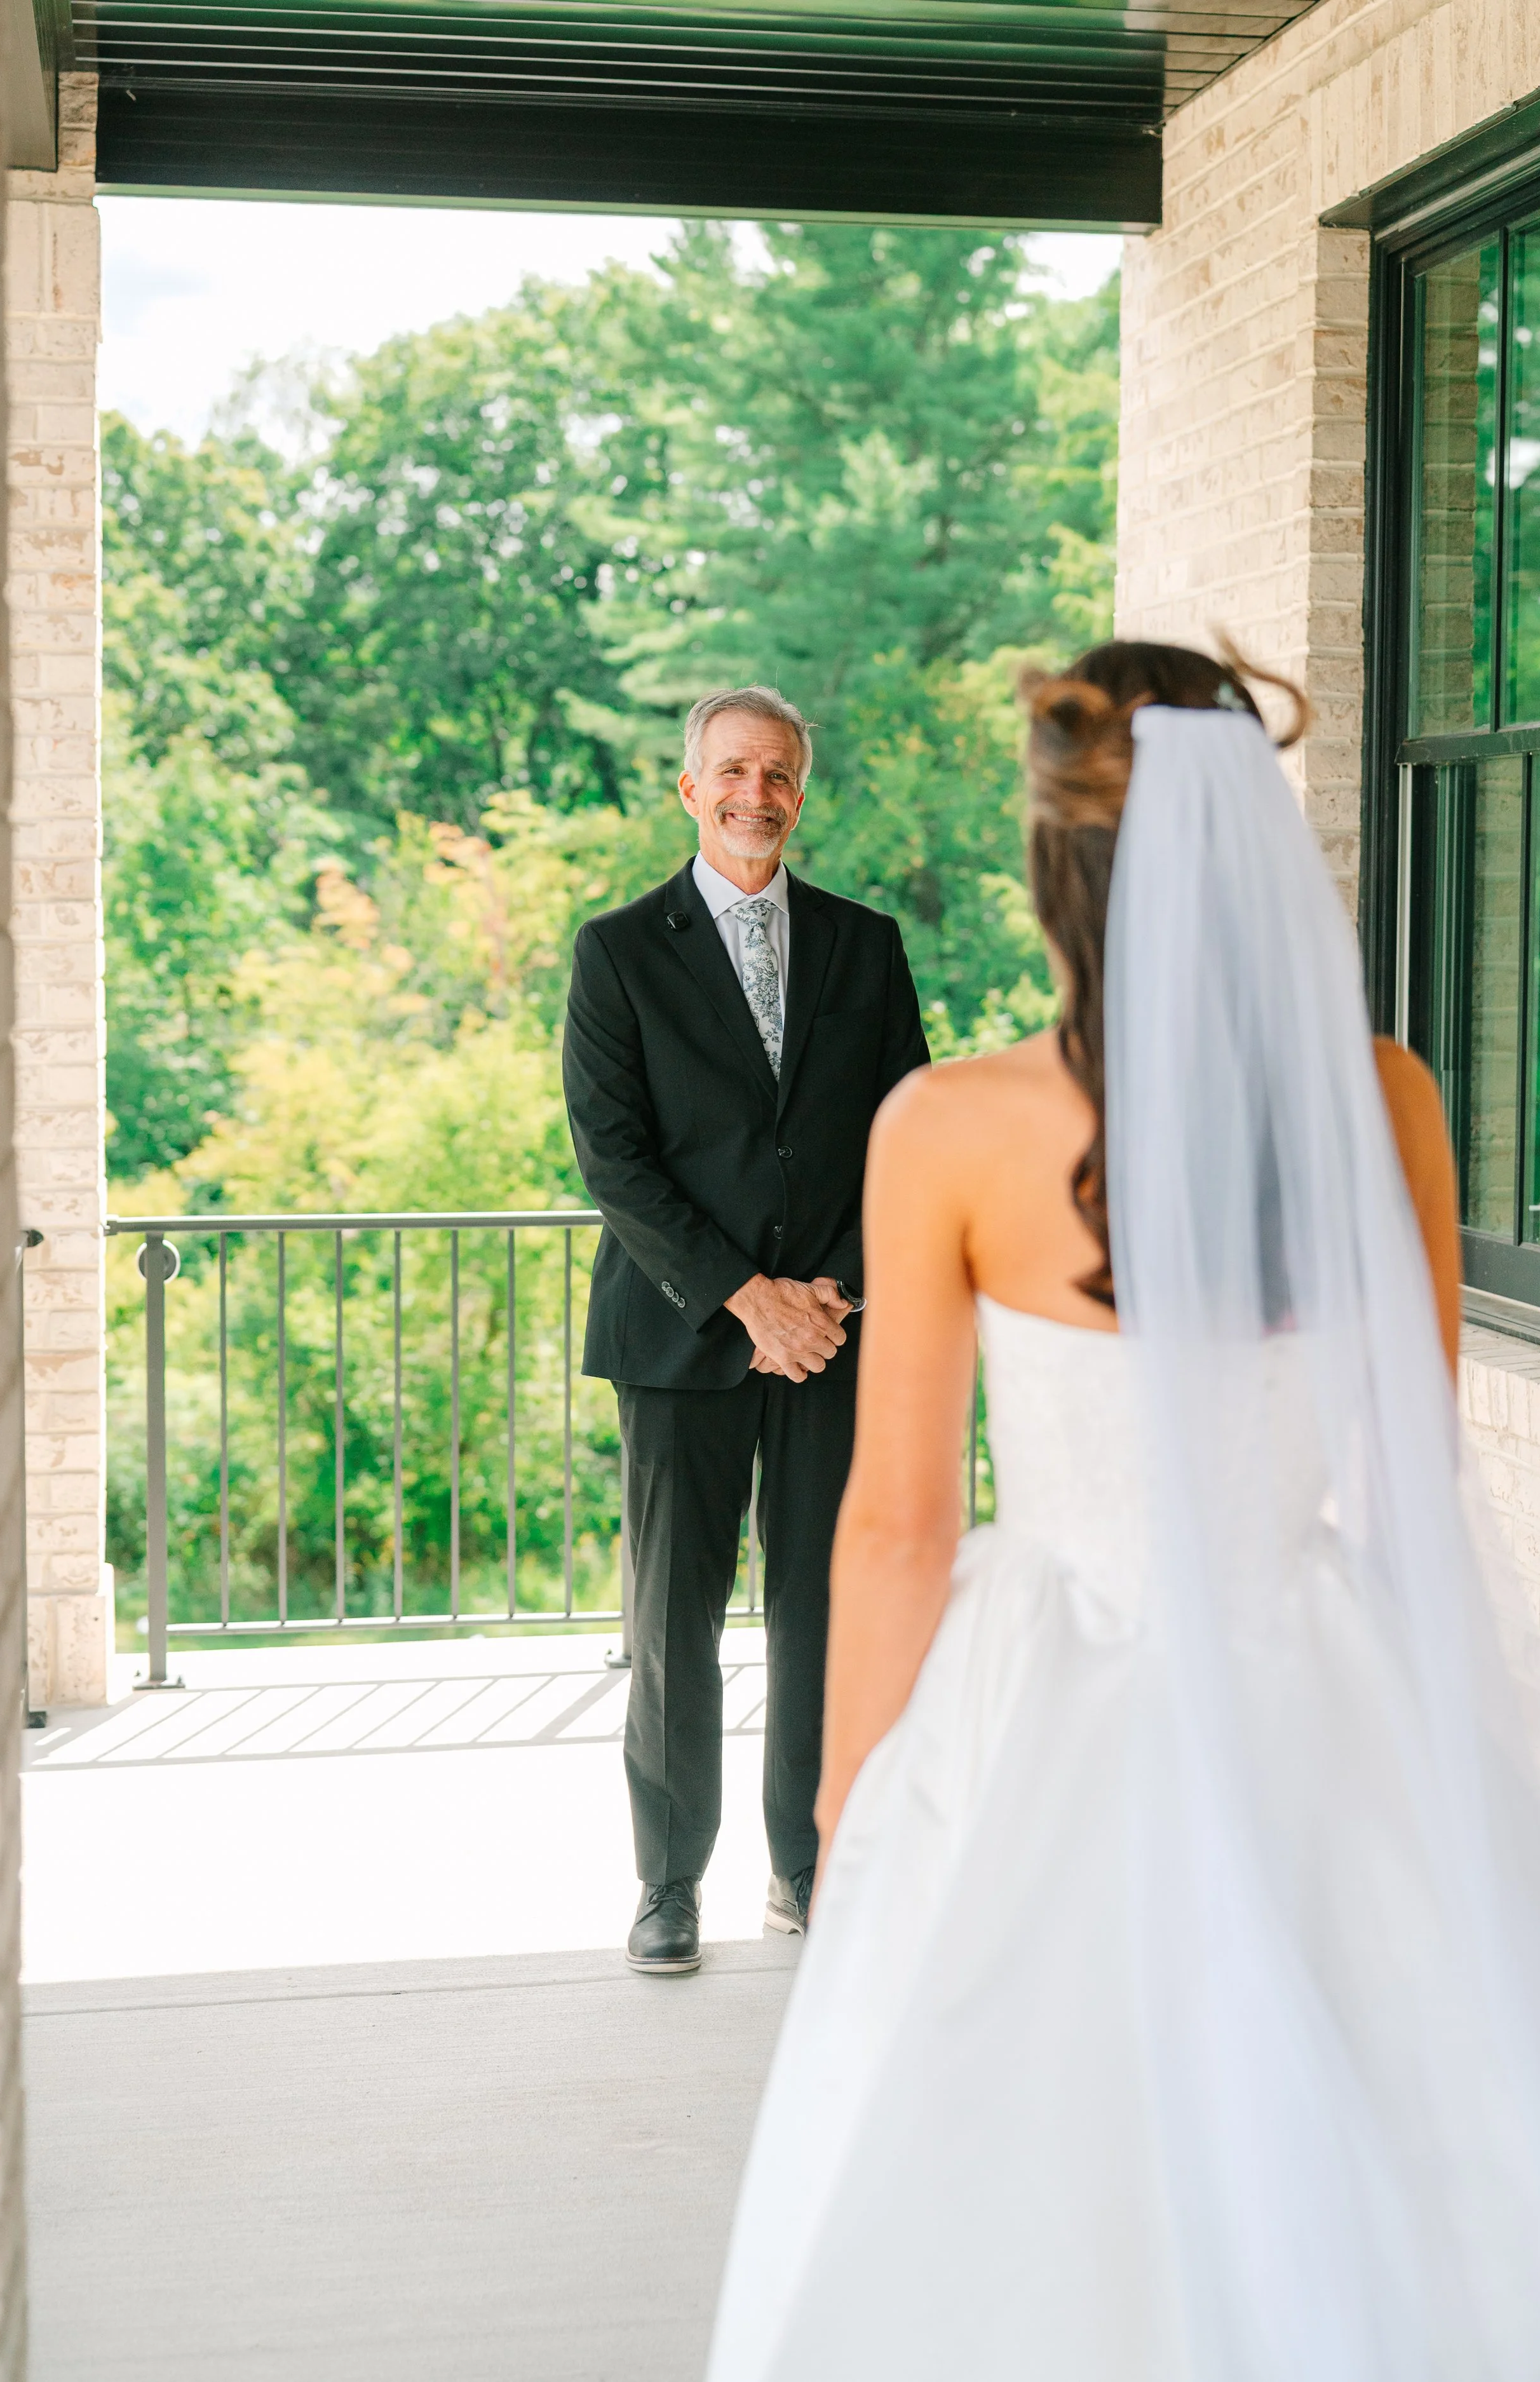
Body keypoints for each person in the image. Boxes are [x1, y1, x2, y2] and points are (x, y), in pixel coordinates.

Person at [707, 642, 1540, 2379]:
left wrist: (847, 1805)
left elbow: (891, 1523)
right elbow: (1406, 1462)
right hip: (1315, 1675)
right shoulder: (1381, 1095)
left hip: (1042, 1701)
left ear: (1056, 863)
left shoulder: (947, 1123)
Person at [562, 686, 930, 1975]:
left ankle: (811, 1866)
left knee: (821, 1607)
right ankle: (667, 1884)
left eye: (776, 773)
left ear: (799, 788)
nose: (752, 794)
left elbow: (908, 1130)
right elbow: (614, 1158)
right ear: (688, 787)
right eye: (729, 772)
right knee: (672, 1618)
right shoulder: (615, 951)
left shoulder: (864, 945)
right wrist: (742, 1296)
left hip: (833, 1332)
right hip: (680, 1336)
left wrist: (821, 1292)